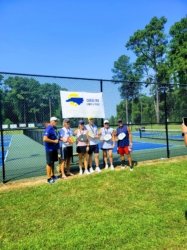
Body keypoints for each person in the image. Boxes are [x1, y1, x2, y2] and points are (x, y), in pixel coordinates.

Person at [43, 116, 59, 184]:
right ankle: (49, 178)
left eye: (56, 121)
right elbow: (45, 139)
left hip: (54, 149)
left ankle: (52, 176)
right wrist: (54, 141)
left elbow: (56, 138)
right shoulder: (49, 128)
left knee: (52, 163)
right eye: (55, 121)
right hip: (49, 149)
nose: (56, 122)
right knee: (49, 163)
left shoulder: (53, 128)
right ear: (51, 121)